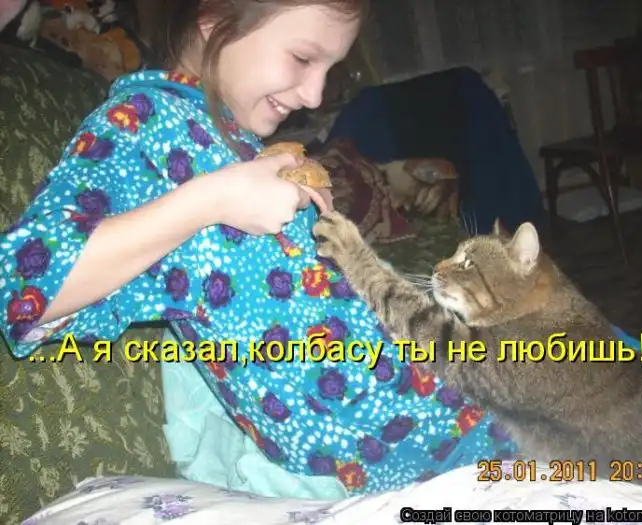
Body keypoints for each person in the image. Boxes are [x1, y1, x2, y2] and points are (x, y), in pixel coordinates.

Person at [0, 0, 517, 495]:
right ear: (213, 18)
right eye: (303, 58)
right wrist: (213, 200)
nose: (315, 95)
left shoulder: (234, 135)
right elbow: (23, 291)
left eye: (329, 69)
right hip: (407, 445)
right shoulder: (143, 119)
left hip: (450, 394)